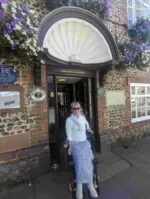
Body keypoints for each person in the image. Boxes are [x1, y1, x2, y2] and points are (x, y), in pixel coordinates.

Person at [65, 102, 98, 199]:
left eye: (78, 108)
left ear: (80, 109)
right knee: (79, 163)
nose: (76, 110)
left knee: (89, 162)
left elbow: (86, 125)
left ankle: (90, 184)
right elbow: (69, 135)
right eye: (74, 108)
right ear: (72, 110)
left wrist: (89, 130)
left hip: (84, 143)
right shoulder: (69, 120)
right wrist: (70, 147)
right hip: (75, 144)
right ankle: (79, 185)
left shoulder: (82, 118)